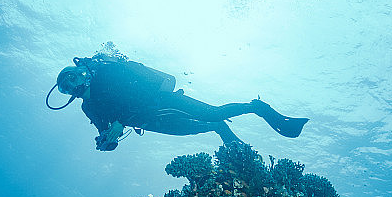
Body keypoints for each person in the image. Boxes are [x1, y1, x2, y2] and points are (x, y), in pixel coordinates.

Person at [49, 53, 309, 151]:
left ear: (80, 72)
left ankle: (258, 108)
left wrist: (118, 122)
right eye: (65, 87)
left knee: (214, 113)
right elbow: (106, 132)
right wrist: (106, 141)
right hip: (150, 122)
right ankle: (227, 136)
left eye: (71, 77)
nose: (71, 85)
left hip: (160, 101)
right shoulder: (88, 107)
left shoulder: (107, 73)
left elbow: (139, 93)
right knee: (197, 129)